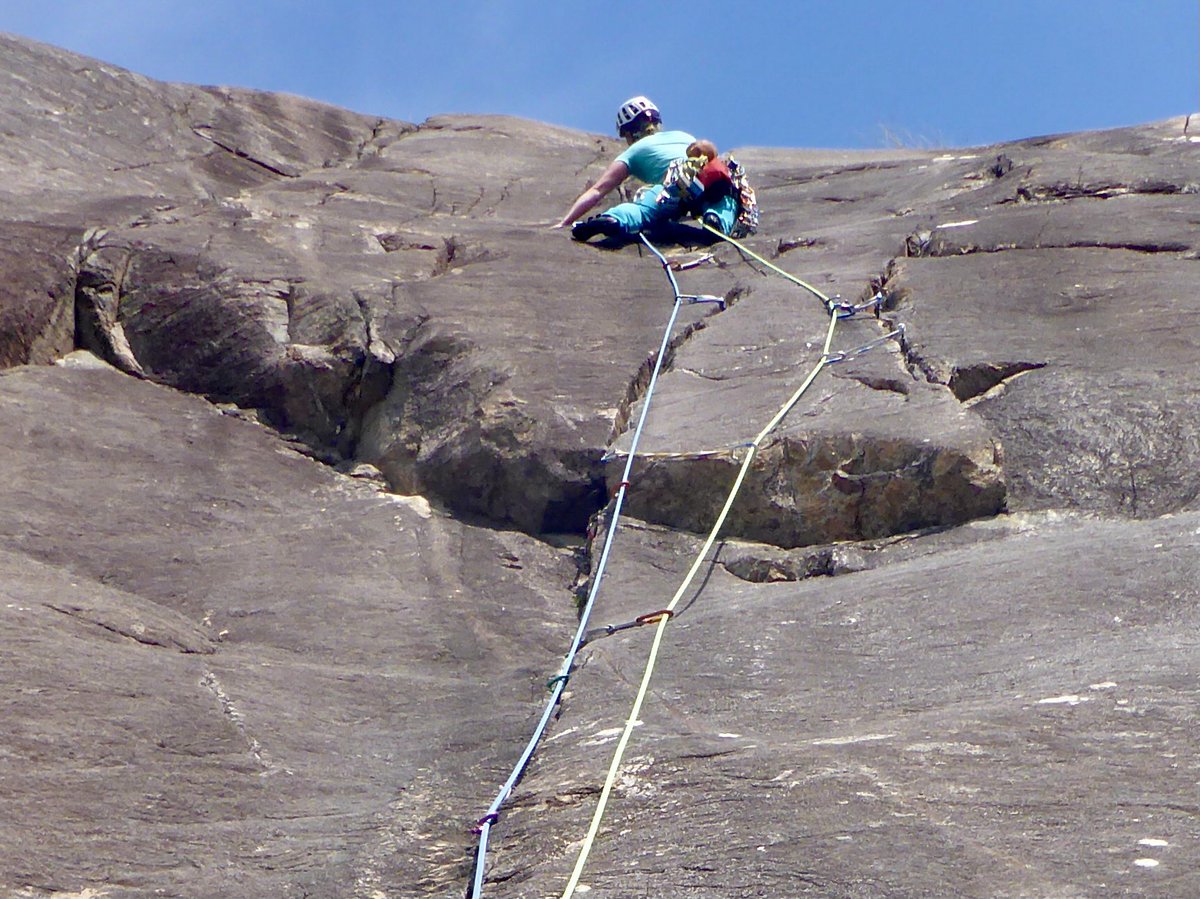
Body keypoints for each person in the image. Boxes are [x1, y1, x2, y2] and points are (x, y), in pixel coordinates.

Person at [555, 96, 739, 241]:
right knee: (724, 199)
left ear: (629, 132)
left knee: (644, 209)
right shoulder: (683, 135)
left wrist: (565, 222)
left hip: (670, 188)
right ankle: (716, 220)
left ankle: (614, 219)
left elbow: (597, 190)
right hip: (707, 179)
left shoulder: (633, 152)